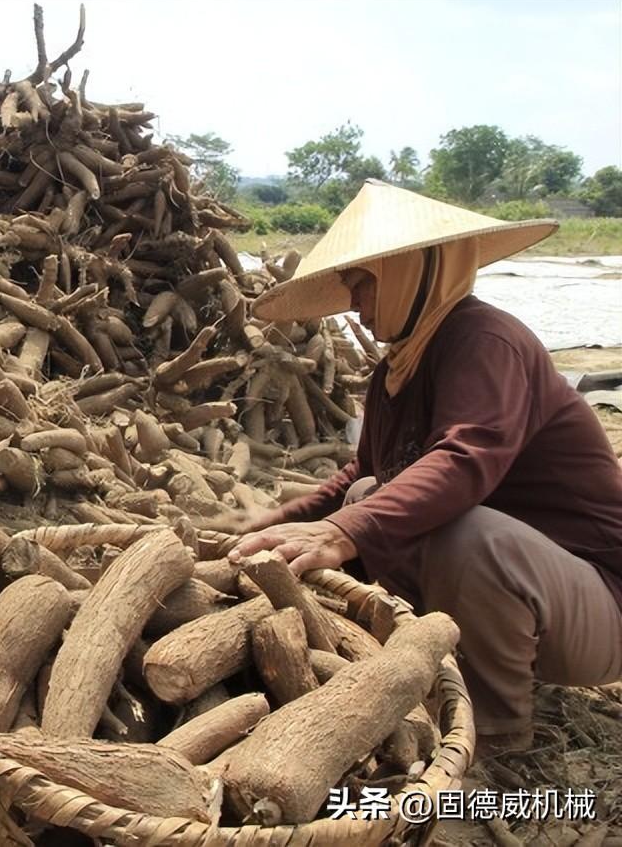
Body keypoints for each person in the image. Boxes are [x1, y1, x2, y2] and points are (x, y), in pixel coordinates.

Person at [230, 180, 622, 755]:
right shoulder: (401, 370)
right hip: (529, 597)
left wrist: (343, 532)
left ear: (412, 273)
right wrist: (274, 528)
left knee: (468, 534)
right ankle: (424, 666)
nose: (355, 306)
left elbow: (467, 459)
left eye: (364, 285)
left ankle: (497, 736)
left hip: (596, 604)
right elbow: (360, 475)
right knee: (368, 493)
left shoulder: (487, 342)